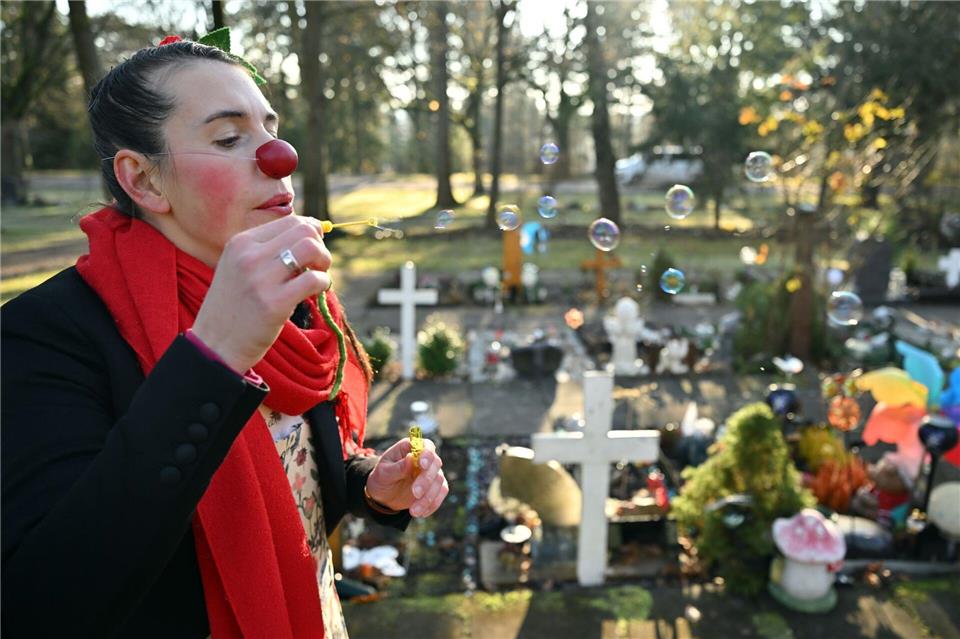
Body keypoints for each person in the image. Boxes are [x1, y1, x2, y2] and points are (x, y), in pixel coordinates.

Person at [1, 33, 448, 639]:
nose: (279, 155)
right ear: (145, 181)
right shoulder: (42, 336)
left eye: (270, 128)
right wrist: (216, 356)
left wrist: (369, 483)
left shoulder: (294, 300)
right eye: (229, 137)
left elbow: (296, 470)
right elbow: (45, 602)